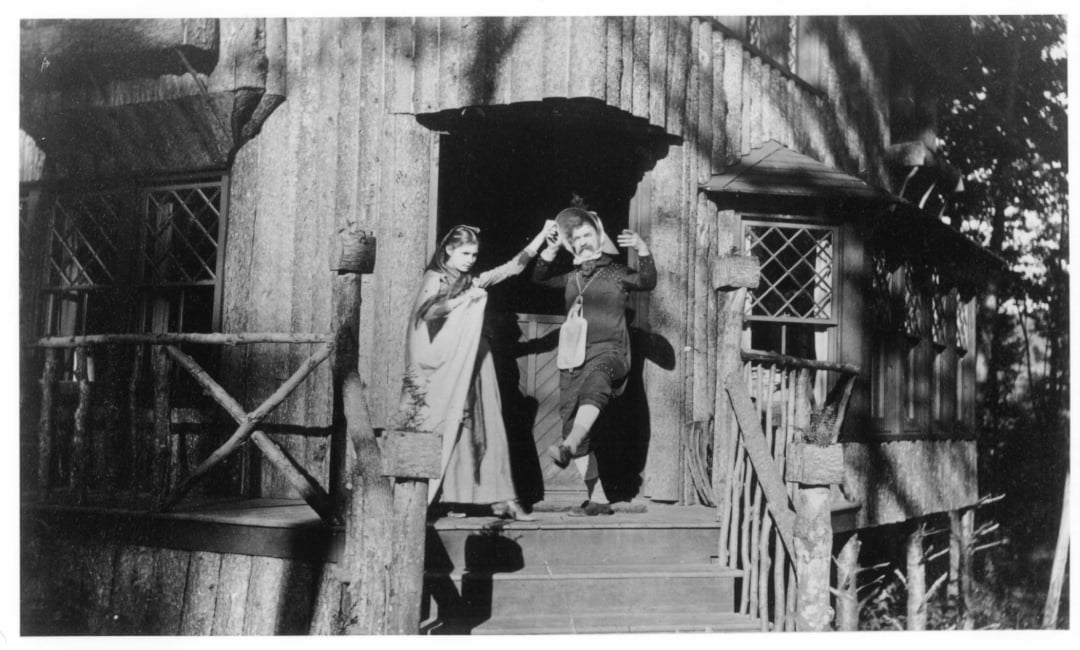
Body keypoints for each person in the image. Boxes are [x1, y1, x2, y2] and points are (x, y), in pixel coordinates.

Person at [400, 221, 557, 520]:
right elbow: (427, 312)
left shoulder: (472, 280)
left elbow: (511, 268)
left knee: (486, 424)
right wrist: (461, 302)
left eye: (474, 254)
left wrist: (539, 237)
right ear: (448, 249)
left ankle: (500, 497)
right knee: (453, 422)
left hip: (477, 361)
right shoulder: (435, 279)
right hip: (447, 365)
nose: (470, 259)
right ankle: (450, 496)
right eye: (465, 253)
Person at [532, 207, 656, 516]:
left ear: (598, 237)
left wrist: (643, 250)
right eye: (576, 238)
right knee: (571, 417)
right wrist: (551, 249)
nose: (582, 241)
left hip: (611, 352)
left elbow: (647, 280)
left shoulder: (615, 272)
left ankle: (569, 445)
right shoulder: (572, 275)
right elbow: (540, 278)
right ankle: (597, 498)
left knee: (597, 381)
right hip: (575, 358)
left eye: (587, 234)